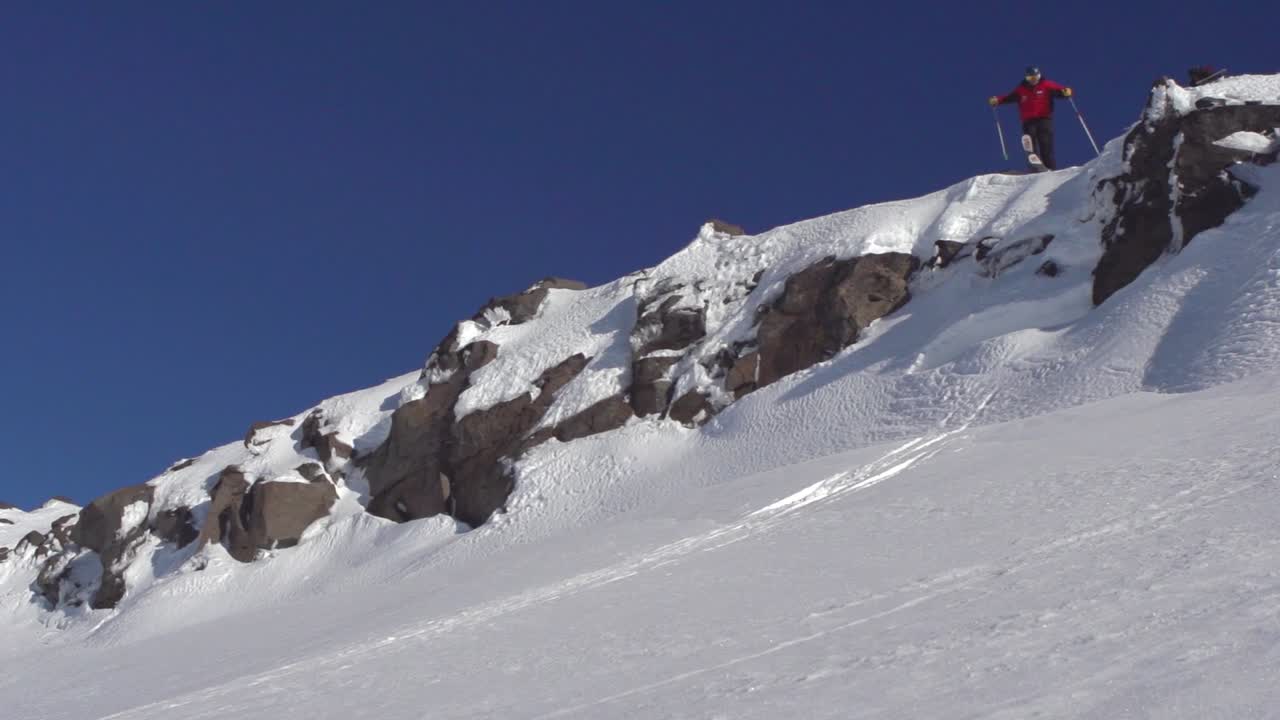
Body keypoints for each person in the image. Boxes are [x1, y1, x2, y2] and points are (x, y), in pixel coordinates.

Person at [989, 66, 1074, 170]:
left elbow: (1059, 91)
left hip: (1044, 119)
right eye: (1030, 78)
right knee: (1031, 144)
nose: (1033, 80)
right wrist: (997, 100)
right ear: (1026, 78)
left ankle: (1051, 170)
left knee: (1045, 144)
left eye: (1035, 77)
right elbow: (1009, 97)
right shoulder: (1021, 89)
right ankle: (1035, 167)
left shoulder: (1046, 85)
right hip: (1028, 121)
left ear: (1039, 76)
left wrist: (1065, 92)